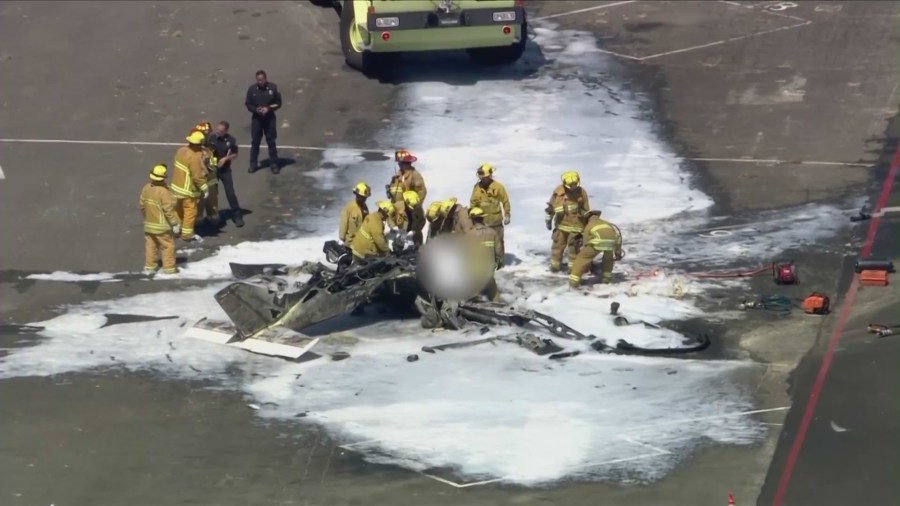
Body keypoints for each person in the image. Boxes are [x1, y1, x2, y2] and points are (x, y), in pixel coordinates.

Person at [545, 170, 590, 273]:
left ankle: (573, 268)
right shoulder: (558, 192)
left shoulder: (582, 192)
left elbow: (586, 209)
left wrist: (587, 224)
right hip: (561, 226)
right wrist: (548, 221)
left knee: (574, 248)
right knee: (557, 246)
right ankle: (555, 266)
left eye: (575, 184)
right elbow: (551, 207)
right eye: (571, 185)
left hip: (576, 226)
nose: (574, 187)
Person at [139, 164, 181, 274]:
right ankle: (169, 268)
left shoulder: (146, 188)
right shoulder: (163, 191)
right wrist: (174, 223)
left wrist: (147, 217)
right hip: (162, 226)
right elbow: (168, 209)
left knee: (150, 246)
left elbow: (142, 206)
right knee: (167, 246)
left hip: (149, 225)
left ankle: (150, 266)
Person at [170, 131, 210, 241]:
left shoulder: (181, 151)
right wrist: (204, 188)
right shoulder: (195, 157)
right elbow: (197, 176)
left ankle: (176, 228)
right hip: (188, 190)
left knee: (178, 210)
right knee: (190, 211)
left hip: (176, 187)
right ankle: (187, 234)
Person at [568, 210, 623, 288]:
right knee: (608, 259)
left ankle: (574, 282)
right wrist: (618, 253)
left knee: (582, 258)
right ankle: (606, 278)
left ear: (588, 218)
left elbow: (585, 241)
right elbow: (617, 237)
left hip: (597, 242)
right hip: (611, 243)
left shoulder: (590, 225)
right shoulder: (607, 223)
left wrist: (584, 251)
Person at [469, 162, 511, 262]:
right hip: (482, 222)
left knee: (498, 243)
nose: (481, 179)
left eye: (484, 177)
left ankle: (499, 262)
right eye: (480, 177)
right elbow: (473, 203)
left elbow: (505, 201)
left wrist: (507, 214)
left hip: (496, 221)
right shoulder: (476, 188)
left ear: (489, 176)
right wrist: (472, 217)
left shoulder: (498, 187)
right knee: (484, 244)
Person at [245, 70, 282, 174]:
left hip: (269, 119)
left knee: (271, 142)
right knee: (255, 142)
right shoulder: (252, 90)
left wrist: (268, 108)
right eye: (258, 80)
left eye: (261, 80)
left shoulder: (273, 88)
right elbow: (248, 104)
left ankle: (274, 164)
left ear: (265, 78)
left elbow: (278, 103)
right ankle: (253, 164)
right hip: (257, 119)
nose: (260, 82)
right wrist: (256, 110)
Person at [207, 121, 244, 227]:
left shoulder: (231, 141)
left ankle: (237, 215)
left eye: (221, 131)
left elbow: (235, 154)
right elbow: (207, 151)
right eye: (217, 129)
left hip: (225, 171)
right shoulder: (211, 138)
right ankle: (212, 216)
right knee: (211, 194)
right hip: (213, 170)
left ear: (226, 131)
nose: (218, 132)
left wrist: (226, 158)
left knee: (230, 193)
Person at [466, 207, 502, 301]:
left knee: (473, 297)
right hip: (488, 271)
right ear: (482, 218)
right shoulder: (492, 232)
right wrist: (498, 261)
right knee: (494, 295)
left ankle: (475, 309)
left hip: (474, 274)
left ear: (473, 220)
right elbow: (498, 251)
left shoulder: (469, 234)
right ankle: (499, 308)